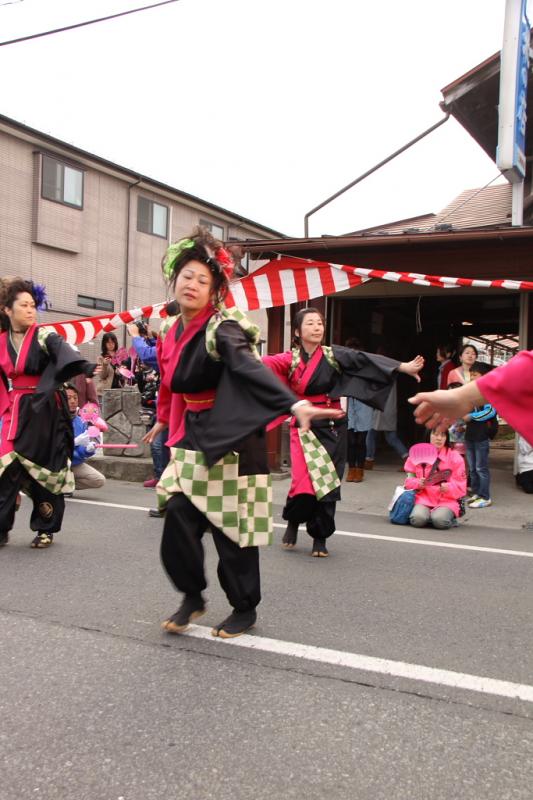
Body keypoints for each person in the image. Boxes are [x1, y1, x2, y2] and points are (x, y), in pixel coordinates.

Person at [144, 229, 343, 639]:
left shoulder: (223, 328)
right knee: (179, 516)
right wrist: (164, 418)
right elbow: (169, 382)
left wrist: (292, 403)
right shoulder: (169, 330)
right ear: (174, 278)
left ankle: (244, 608)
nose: (192, 284)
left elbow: (249, 368)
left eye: (203, 279)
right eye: (187, 276)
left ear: (216, 290)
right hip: (195, 436)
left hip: (234, 438)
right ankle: (192, 596)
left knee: (231, 530)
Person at [263, 308, 424, 556]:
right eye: (310, 323)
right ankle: (294, 522)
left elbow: (363, 359)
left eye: (320, 323)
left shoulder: (333, 355)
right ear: (297, 331)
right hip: (305, 428)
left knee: (327, 485)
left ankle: (320, 539)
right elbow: (259, 366)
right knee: (303, 486)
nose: (317, 327)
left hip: (332, 427)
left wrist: (401, 367)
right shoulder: (289, 359)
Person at [0, 279, 98, 548]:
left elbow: (63, 352)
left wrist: (85, 366)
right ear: (7, 310)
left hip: (46, 410)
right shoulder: (0, 342)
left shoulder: (44, 337)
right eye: (24, 305)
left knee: (46, 472)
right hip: (16, 410)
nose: (31, 310)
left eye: (33, 305)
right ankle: (1, 527)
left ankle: (46, 529)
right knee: (5, 468)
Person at [409, 347, 533, 447]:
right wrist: (462, 397)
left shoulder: (468, 371)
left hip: (472, 420)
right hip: (456, 413)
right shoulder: (453, 372)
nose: (470, 355)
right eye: (467, 353)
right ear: (460, 357)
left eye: (473, 353)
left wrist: (465, 399)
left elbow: (523, 371)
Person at [127, 321, 170, 507]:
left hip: (175, 408)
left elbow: (148, 355)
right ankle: (161, 480)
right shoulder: (174, 342)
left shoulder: (175, 345)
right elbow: (156, 351)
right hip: (167, 407)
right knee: (158, 445)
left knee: (161, 446)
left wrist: (136, 336)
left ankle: (165, 489)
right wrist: (150, 338)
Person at [403, 429, 466, 529]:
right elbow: (408, 482)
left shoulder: (455, 457)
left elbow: (461, 486)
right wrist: (418, 483)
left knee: (440, 521)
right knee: (417, 520)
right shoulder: (416, 454)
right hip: (423, 498)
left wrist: (448, 487)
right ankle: (429, 517)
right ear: (428, 435)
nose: (439, 438)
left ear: (447, 438)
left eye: (443, 435)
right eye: (435, 434)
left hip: (447, 500)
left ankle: (443, 517)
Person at [463, 361, 496, 508]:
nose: (471, 378)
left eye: (474, 375)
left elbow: (491, 411)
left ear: (484, 376)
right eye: (471, 375)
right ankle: (476, 493)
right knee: (472, 467)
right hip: (470, 434)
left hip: (481, 435)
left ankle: (485, 497)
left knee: (481, 468)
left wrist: (471, 416)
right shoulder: (473, 392)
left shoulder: (489, 392)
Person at [65, 384, 105, 492]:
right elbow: (53, 448)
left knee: (99, 480)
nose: (73, 401)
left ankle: (66, 485)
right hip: (57, 463)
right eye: (68, 398)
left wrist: (87, 450)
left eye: (75, 398)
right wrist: (73, 443)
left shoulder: (81, 421)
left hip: (74, 462)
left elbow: (84, 447)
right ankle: (56, 484)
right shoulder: (54, 420)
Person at [344, 337, 373, 483]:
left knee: (361, 441)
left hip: (364, 406)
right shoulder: (345, 369)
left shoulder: (367, 369)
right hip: (350, 406)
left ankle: (359, 470)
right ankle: (351, 470)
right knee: (350, 440)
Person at [364, 383, 409, 469]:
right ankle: (407, 459)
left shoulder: (384, 374)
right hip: (386, 408)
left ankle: (369, 460)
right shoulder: (391, 374)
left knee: (371, 433)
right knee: (391, 437)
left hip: (380, 407)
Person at [94, 333, 127, 400]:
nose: (111, 345)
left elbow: (125, 376)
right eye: (108, 343)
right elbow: (102, 376)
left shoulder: (120, 356)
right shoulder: (101, 358)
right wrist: (105, 365)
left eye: (112, 342)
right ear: (104, 344)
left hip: (118, 391)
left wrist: (122, 372)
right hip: (105, 392)